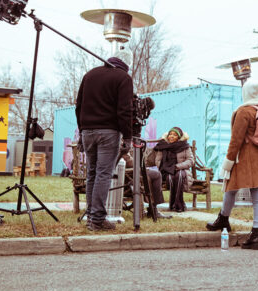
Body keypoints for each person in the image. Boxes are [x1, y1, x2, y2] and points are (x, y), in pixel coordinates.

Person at [206, 80, 258, 250]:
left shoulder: (244, 112)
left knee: (230, 187)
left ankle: (224, 219)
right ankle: (255, 234)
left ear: (245, 93)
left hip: (247, 159)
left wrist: (228, 163)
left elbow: (236, 140)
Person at [75, 49, 133, 231]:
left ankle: (91, 216)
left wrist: (82, 129)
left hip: (87, 132)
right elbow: (124, 110)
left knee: (92, 173)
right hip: (108, 132)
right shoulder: (123, 78)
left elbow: (78, 106)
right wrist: (128, 135)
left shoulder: (90, 75)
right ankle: (98, 219)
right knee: (103, 174)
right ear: (127, 64)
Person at [145, 127, 194, 213]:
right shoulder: (163, 146)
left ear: (179, 137)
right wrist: (166, 167)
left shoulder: (185, 146)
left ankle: (175, 204)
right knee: (170, 178)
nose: (171, 136)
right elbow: (158, 160)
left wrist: (177, 166)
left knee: (179, 176)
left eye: (174, 135)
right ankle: (178, 204)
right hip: (166, 171)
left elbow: (190, 160)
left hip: (181, 170)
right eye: (170, 134)